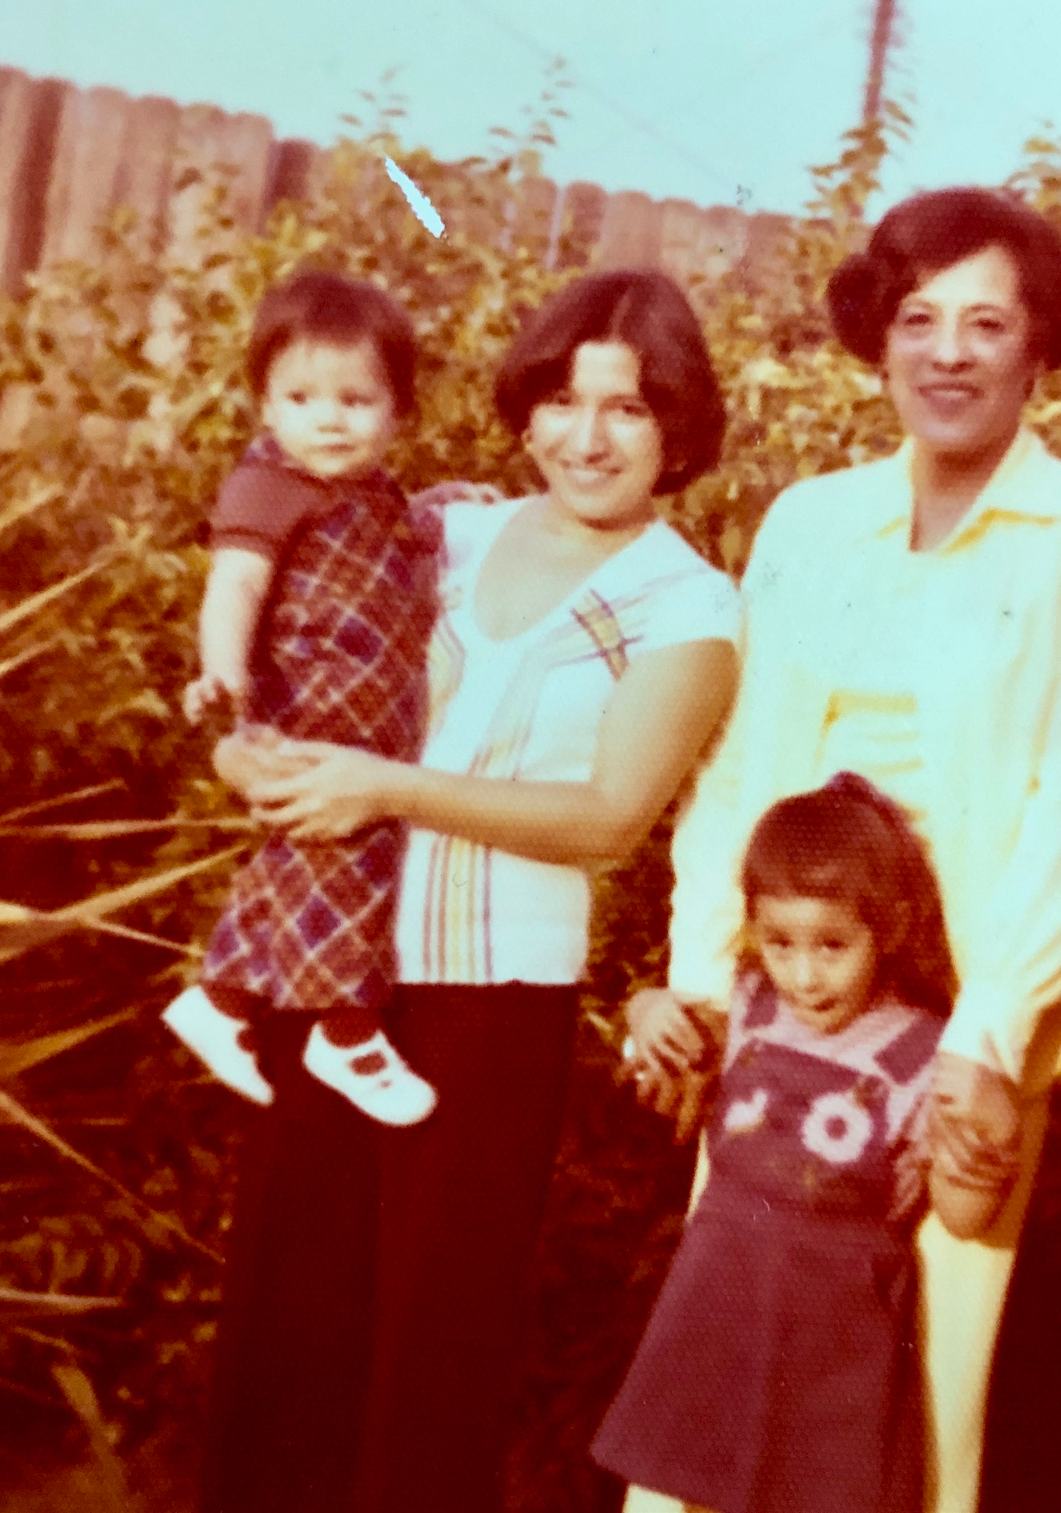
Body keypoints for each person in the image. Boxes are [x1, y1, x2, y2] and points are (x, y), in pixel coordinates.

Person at [626, 186, 1061, 1513]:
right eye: (917, 319)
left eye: (987, 323)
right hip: (783, 998)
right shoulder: (811, 521)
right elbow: (736, 770)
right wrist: (699, 984)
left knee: (909, 1405)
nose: (948, 352)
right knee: (723, 1365)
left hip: (958, 1026)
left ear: (1038, 349)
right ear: (877, 340)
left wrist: (985, 1044)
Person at [196, 267, 740, 1513]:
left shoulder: (688, 604)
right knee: (284, 1323)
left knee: (425, 1358)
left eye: (628, 408)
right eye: (560, 399)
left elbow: (607, 820)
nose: (585, 436)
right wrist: (242, 742)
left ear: (677, 429)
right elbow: (279, 637)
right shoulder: (439, 527)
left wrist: (386, 788)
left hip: (487, 1014)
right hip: (326, 974)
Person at [595, 774, 1005, 1513]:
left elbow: (966, 1213)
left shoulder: (921, 1052)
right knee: (696, 1489)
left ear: (890, 925)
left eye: (832, 945)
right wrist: (647, 1004)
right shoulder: (749, 1006)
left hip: (834, 1338)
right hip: (720, 1303)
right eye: (779, 942)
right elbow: (657, 1058)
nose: (804, 975)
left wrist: (981, 1141)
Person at [163, 268, 439, 1125]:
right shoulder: (266, 486)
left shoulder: (375, 495)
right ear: (265, 407)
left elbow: (397, 548)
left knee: (301, 860)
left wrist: (438, 508)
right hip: (308, 708)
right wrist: (222, 667)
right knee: (349, 854)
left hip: (372, 718)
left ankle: (222, 1001)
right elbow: (236, 586)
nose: (329, 417)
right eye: (302, 396)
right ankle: (347, 1030)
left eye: (356, 400)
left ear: (397, 412)